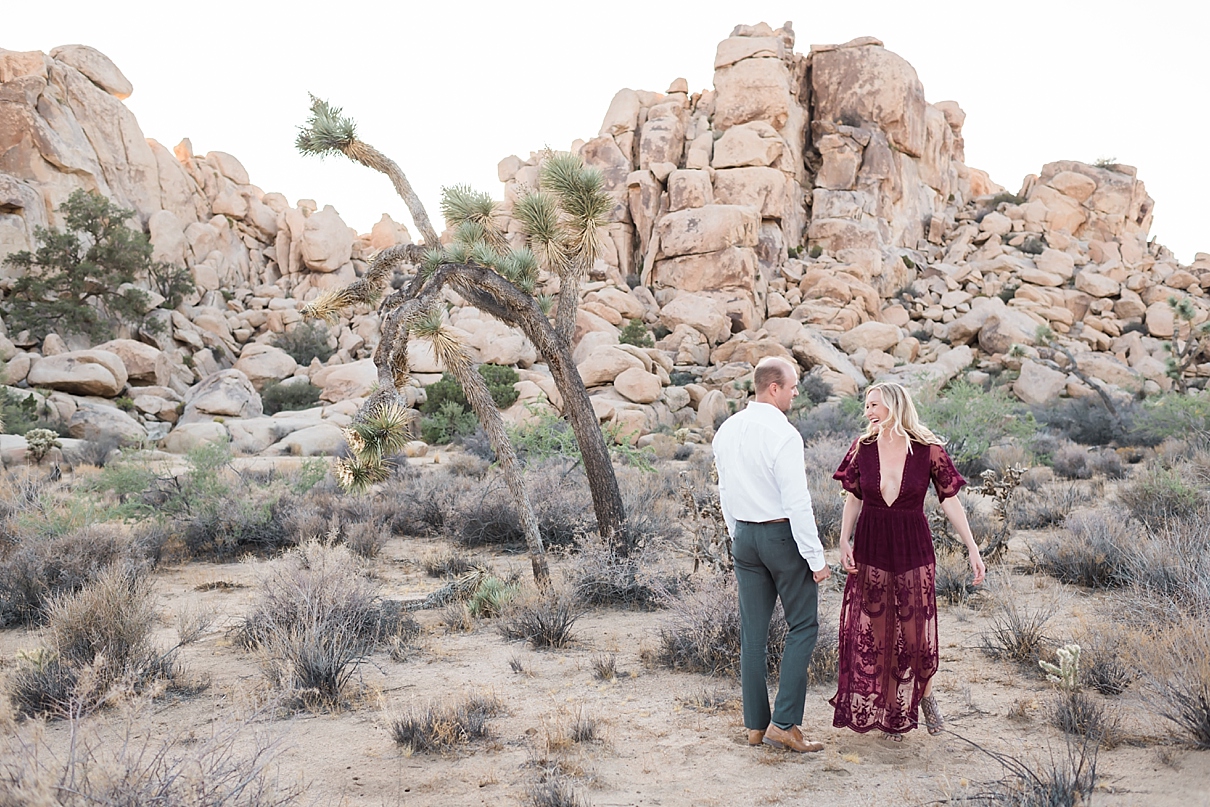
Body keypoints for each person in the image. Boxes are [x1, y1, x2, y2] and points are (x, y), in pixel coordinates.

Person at [830, 381, 986, 740]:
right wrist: (843, 539)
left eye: (874, 405)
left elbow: (950, 500)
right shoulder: (862, 447)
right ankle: (892, 712)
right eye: (866, 405)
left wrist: (972, 546)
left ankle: (926, 697)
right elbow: (853, 497)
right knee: (877, 630)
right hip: (871, 543)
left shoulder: (928, 449)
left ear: (895, 405)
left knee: (917, 635)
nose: (867, 411)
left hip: (912, 546)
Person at [713, 356, 831, 753]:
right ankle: (784, 724)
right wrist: (815, 558)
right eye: (793, 385)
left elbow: (725, 491)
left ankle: (754, 726)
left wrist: (738, 535)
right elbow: (797, 502)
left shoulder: (726, 430)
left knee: (753, 634)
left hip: (744, 535)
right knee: (803, 626)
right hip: (782, 537)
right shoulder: (784, 434)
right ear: (773, 388)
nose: (797, 391)